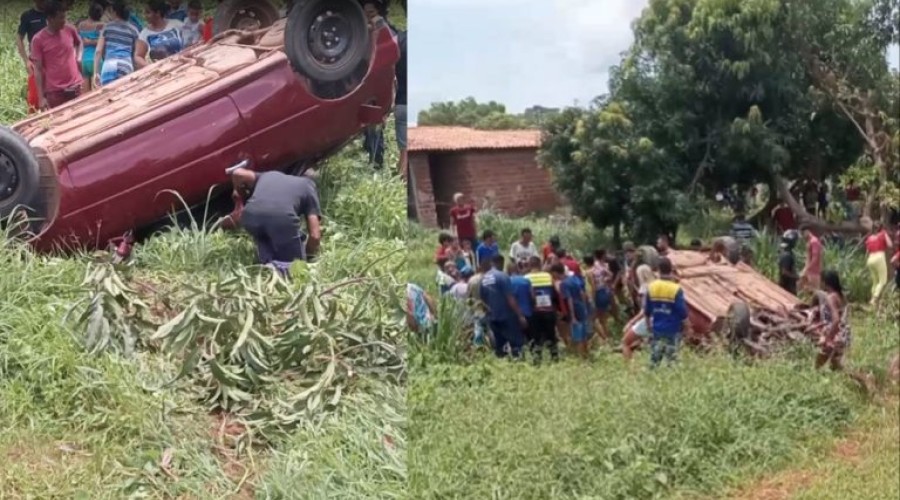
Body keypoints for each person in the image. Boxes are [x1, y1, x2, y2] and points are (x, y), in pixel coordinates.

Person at [229, 167, 321, 273]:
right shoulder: (308, 186)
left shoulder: (269, 174)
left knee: (264, 233)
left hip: (250, 216)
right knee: (296, 268)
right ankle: (277, 268)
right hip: (281, 219)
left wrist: (241, 197)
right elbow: (315, 236)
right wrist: (308, 256)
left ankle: (266, 259)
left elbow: (237, 173)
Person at [31, 0, 84, 111]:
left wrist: (79, 57)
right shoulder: (38, 40)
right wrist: (41, 98)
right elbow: (38, 70)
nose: (64, 21)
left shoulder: (70, 30)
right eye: (60, 18)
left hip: (76, 87)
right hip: (55, 93)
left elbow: (80, 43)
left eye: (64, 17)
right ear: (50, 18)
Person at [479, 255, 528, 359]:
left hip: (492, 317)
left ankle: (502, 363)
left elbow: (482, 301)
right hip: (506, 315)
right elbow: (510, 298)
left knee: (499, 346)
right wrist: (520, 316)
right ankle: (519, 363)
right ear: (501, 263)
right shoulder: (502, 276)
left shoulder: (483, 278)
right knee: (516, 344)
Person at [644, 257, 690, 368]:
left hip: (657, 328)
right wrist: (687, 327)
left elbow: (647, 310)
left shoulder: (651, 287)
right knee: (672, 361)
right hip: (673, 329)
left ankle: (652, 375)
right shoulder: (676, 289)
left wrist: (648, 326)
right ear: (671, 269)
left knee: (654, 360)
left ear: (658, 270)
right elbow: (682, 311)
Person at [94, 0, 139, 87]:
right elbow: (136, 55)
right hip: (126, 65)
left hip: (109, 65)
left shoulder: (107, 27)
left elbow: (98, 51)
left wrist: (96, 73)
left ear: (114, 12)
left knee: (108, 94)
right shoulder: (134, 30)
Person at [524, 256, 559, 362]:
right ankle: (554, 357)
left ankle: (537, 359)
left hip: (534, 312)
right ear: (540, 265)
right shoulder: (547, 276)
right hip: (549, 311)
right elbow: (555, 292)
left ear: (529, 265)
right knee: (551, 335)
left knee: (536, 336)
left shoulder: (526, 278)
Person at [814, 270, 851, 371]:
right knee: (836, 366)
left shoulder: (830, 298)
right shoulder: (841, 296)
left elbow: (836, 319)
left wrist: (828, 338)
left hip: (835, 335)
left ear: (825, 282)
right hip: (844, 334)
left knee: (817, 367)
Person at [17, 0, 48, 114]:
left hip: (51, 60)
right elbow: (19, 38)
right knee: (34, 99)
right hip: (35, 61)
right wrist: (26, 61)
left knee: (53, 94)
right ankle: (33, 121)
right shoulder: (27, 16)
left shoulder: (51, 12)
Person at [621, 264, 656, 361]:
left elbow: (644, 311)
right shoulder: (657, 285)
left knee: (625, 342)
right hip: (660, 318)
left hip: (648, 320)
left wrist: (631, 322)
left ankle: (630, 367)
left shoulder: (644, 289)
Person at [136, 0, 184, 68]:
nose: (145, 16)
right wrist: (151, 68)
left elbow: (191, 38)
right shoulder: (144, 34)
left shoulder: (176, 24)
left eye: (148, 12)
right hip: (161, 71)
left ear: (158, 13)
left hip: (183, 66)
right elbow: (138, 56)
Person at [560, 262, 590, 359]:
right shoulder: (575, 279)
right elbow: (582, 293)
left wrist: (572, 316)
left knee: (578, 337)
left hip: (575, 309)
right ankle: (586, 355)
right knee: (584, 335)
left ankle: (581, 359)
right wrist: (585, 307)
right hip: (581, 307)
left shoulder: (564, 284)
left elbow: (569, 300)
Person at [861, 217, 893, 306]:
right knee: (882, 281)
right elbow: (890, 244)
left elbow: (867, 252)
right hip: (879, 257)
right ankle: (874, 299)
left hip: (870, 258)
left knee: (875, 281)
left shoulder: (870, 237)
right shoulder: (882, 234)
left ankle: (872, 299)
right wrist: (885, 234)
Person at [76, 2, 104, 90]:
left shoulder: (81, 25)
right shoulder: (102, 25)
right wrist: (94, 42)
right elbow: (103, 42)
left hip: (84, 61)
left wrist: (87, 42)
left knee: (85, 94)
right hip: (97, 61)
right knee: (99, 92)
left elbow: (78, 42)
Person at [587, 251, 612, 342]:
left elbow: (593, 287)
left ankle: (605, 338)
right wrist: (604, 281)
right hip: (605, 291)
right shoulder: (600, 268)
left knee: (595, 319)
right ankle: (607, 336)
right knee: (603, 318)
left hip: (598, 294)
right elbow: (610, 275)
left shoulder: (589, 272)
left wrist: (592, 299)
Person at [799, 225, 823, 293]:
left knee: (814, 292)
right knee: (805, 291)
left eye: (802, 234)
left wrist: (807, 269)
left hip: (813, 273)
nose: (802, 236)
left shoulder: (814, 241)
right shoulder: (810, 241)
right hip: (809, 272)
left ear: (807, 231)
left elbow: (815, 258)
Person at [778, 230, 800, 295]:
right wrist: (796, 277)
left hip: (787, 287)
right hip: (787, 288)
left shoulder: (787, 253)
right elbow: (784, 272)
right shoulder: (787, 255)